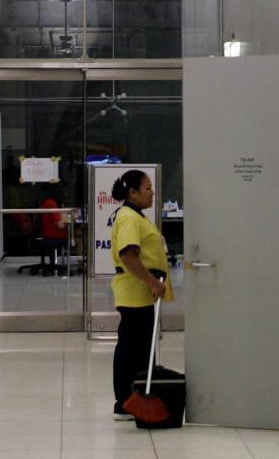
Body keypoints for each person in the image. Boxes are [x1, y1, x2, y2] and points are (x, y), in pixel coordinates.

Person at [110, 170, 173, 420]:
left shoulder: (137, 216)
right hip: (136, 292)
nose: (152, 193)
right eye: (147, 188)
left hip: (142, 293)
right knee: (131, 347)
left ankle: (137, 398)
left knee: (141, 348)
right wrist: (152, 282)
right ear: (132, 192)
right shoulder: (128, 218)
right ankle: (125, 401)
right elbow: (128, 255)